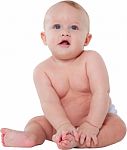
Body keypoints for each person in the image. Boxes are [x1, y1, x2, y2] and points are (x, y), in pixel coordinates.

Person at [1, 0, 126, 149]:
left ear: (86, 39)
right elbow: (49, 103)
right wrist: (63, 125)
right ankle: (30, 137)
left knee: (118, 126)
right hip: (58, 125)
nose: (65, 32)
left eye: (74, 27)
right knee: (37, 123)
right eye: (57, 26)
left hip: (97, 121)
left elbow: (101, 93)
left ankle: (80, 141)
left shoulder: (91, 59)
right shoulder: (42, 71)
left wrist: (91, 124)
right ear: (44, 37)